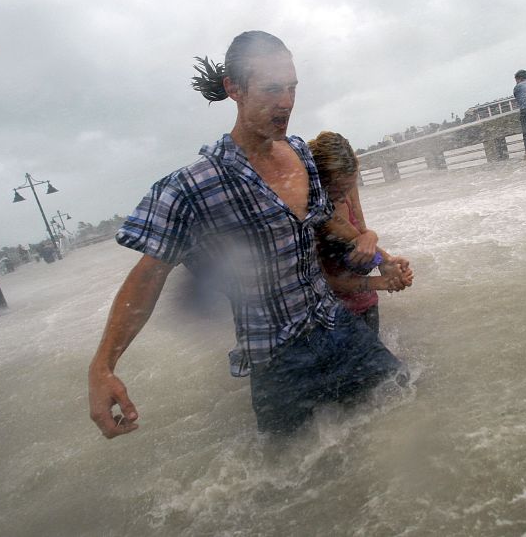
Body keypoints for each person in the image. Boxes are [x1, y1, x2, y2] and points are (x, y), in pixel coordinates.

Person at [88, 31, 412, 438]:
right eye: (272, 88)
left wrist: (381, 253)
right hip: (279, 362)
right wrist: (103, 366)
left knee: (411, 409)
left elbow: (329, 221)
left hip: (339, 328)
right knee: (294, 477)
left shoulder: (301, 156)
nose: (286, 101)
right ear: (234, 89)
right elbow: (148, 277)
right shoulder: (193, 187)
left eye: (292, 87)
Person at [308, 131, 414, 334]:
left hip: (366, 301)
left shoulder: (347, 189)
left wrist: (388, 262)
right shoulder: (313, 214)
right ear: (320, 184)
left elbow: (359, 235)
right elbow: (323, 281)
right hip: (334, 314)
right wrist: (380, 281)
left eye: (349, 187)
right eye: (338, 191)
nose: (343, 196)